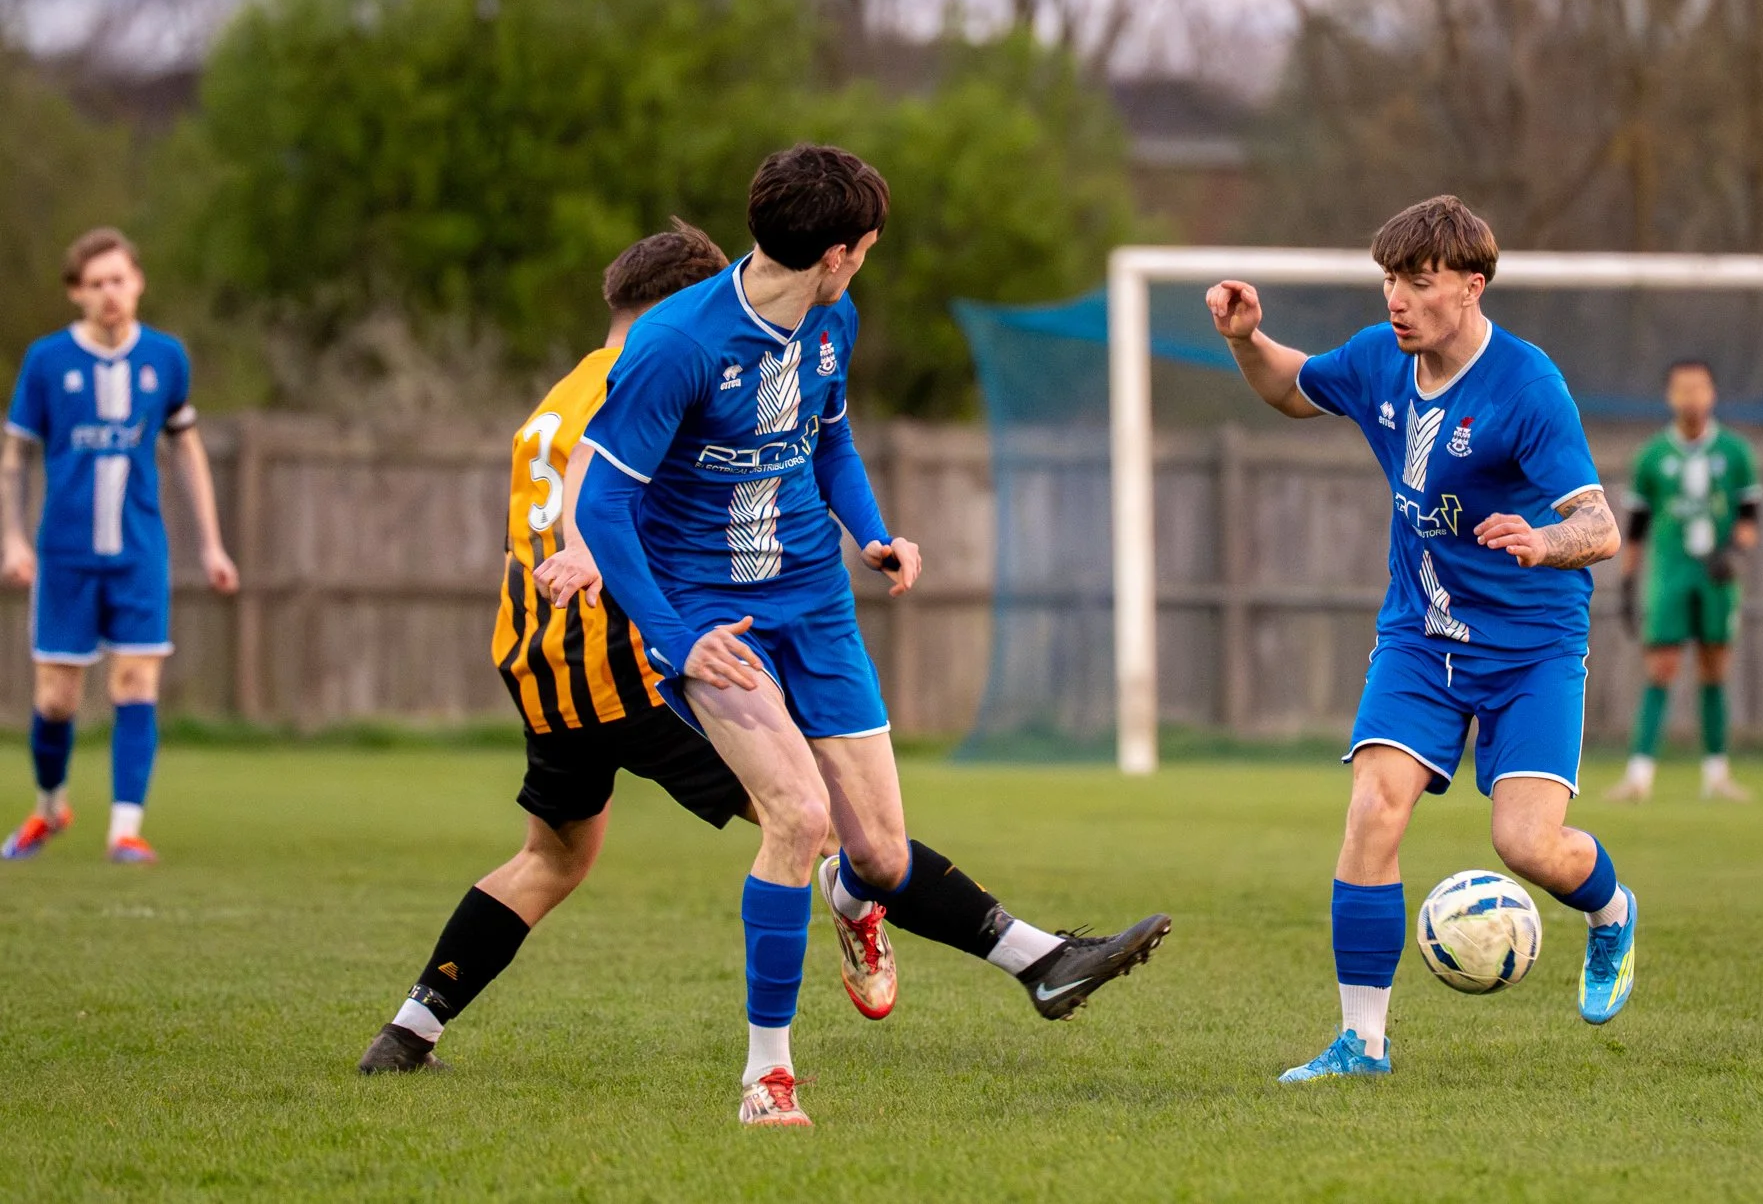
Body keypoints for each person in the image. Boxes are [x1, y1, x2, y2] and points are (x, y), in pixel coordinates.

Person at [360, 216, 1168, 1098]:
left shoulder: (555, 397)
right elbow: (615, 501)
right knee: (817, 819)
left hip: (544, 669)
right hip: (646, 653)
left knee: (552, 857)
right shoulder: (661, 371)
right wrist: (606, 563)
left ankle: (410, 1026)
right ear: (680, 305)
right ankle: (1021, 957)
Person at [572, 147, 1170, 1126]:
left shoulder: (831, 319)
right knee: (798, 820)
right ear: (839, 252)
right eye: (868, 247)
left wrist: (873, 533)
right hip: (711, 621)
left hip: (815, 603)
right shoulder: (676, 344)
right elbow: (601, 509)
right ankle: (766, 1077)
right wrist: (675, 639)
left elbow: (831, 438)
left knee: (880, 857)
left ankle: (966, 942)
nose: (867, 262)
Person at [1205, 195, 1635, 1083]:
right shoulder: (1376, 359)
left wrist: (1541, 540)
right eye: (1389, 279)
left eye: (1418, 281)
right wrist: (1249, 339)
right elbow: (1290, 387)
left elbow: (1600, 525)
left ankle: (1611, 910)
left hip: (1531, 646)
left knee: (1526, 844)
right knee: (1374, 807)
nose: (1396, 298)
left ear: (1471, 287)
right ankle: (1362, 1044)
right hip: (1420, 636)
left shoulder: (1527, 385)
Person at [1, 228, 240, 864]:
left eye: (121, 279)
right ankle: (50, 807)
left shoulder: (165, 357)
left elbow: (185, 445)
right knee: (56, 697)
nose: (112, 293)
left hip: (139, 553)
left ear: (138, 283)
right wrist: (13, 539)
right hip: (65, 556)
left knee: (135, 683)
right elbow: (15, 455)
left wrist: (213, 546)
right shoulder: (48, 361)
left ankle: (124, 830)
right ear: (77, 293)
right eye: (97, 282)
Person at [1608, 361, 1761, 803]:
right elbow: (1636, 528)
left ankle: (1716, 773)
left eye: (1700, 388)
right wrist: (1629, 582)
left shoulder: (1735, 453)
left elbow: (1751, 520)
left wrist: (1734, 553)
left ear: (1712, 394)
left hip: (1715, 574)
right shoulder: (1653, 456)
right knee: (1662, 667)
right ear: (1670, 397)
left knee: (1715, 667)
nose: (1691, 398)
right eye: (1682, 389)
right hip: (1670, 572)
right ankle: (1639, 776)